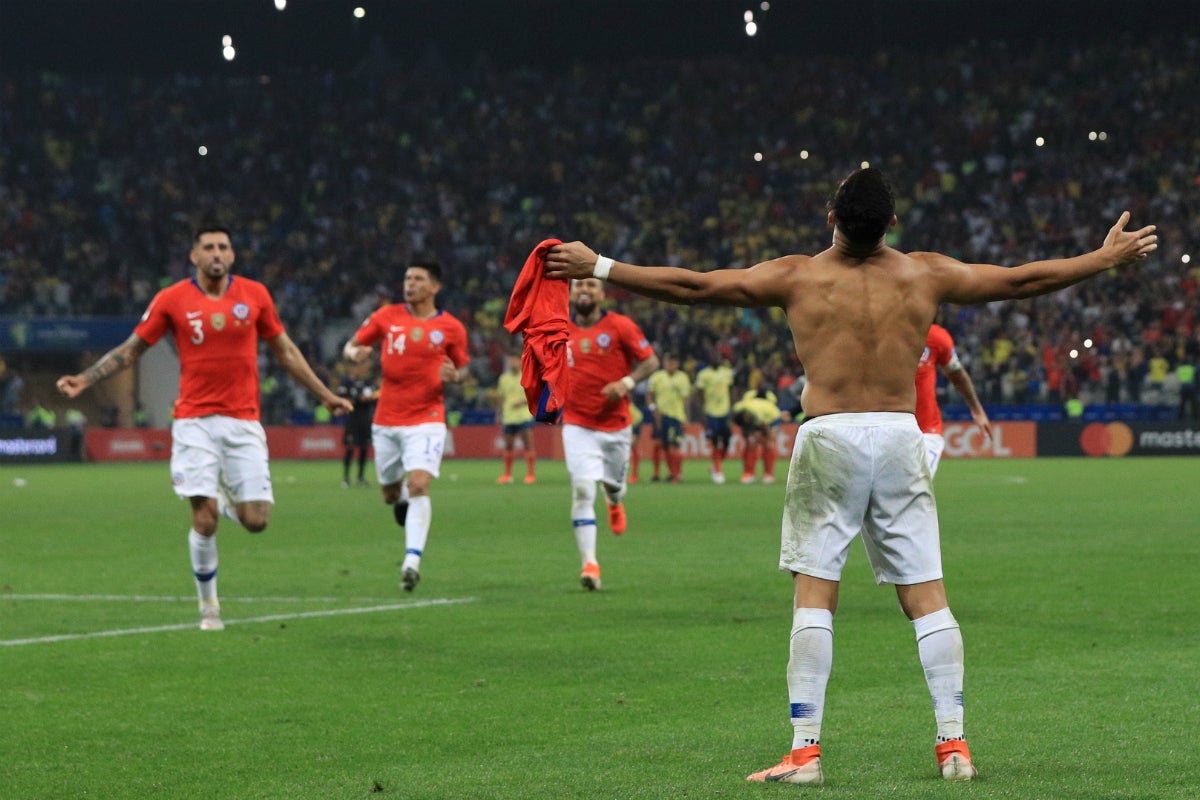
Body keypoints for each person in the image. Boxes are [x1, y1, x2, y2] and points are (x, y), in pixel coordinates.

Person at [545, 167, 1156, 784]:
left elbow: (696, 288)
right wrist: (1103, 258)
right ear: (892, 222)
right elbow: (1024, 280)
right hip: (899, 436)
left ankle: (805, 751)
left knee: (816, 592)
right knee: (926, 594)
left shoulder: (797, 276)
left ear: (830, 217)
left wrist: (600, 266)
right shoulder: (926, 272)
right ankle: (954, 747)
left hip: (829, 438)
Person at [56, 225, 352, 631]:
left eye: (224, 247)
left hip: (244, 420)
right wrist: (86, 379)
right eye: (209, 247)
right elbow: (132, 349)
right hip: (194, 421)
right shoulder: (172, 299)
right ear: (193, 256)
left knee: (256, 521)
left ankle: (230, 503)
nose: (217, 253)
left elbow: (285, 350)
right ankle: (209, 604)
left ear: (232, 255)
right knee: (204, 518)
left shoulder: (256, 296)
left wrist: (325, 394)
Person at [343, 262, 469, 593]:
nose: (409, 284)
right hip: (386, 420)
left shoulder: (451, 327)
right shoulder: (386, 316)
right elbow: (350, 345)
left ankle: (411, 562)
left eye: (418, 279)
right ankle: (399, 497)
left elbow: (463, 369)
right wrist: (355, 353)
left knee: (419, 484)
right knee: (389, 495)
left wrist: (455, 377)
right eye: (407, 278)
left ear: (434, 287)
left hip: (427, 419)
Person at [562, 277, 659, 590]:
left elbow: (650, 361)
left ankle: (615, 502)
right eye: (579, 286)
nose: (585, 290)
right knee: (581, 489)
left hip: (616, 424)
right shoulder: (560, 328)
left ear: (601, 293)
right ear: (571, 293)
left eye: (591, 285)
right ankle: (590, 563)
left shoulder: (620, 326)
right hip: (577, 423)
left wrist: (627, 384)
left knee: (613, 486)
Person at [917, 323, 992, 476]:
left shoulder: (935, 336)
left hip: (926, 432)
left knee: (913, 493)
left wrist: (977, 410)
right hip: (888, 428)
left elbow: (956, 374)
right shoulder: (883, 332)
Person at [646, 352, 691, 482]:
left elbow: (686, 399)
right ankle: (658, 474)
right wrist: (653, 408)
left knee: (673, 446)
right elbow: (649, 394)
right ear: (664, 362)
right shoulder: (657, 376)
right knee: (660, 445)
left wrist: (686, 417)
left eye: (673, 362)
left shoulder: (682, 377)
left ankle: (676, 474)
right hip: (659, 415)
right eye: (668, 361)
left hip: (675, 416)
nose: (670, 365)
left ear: (677, 364)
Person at [495, 353, 537, 484]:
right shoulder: (503, 378)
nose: (512, 363)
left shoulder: (527, 376)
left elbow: (534, 395)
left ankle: (530, 474)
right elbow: (501, 397)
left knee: (528, 444)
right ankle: (507, 475)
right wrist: (498, 413)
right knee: (508, 446)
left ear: (520, 361)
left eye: (514, 360)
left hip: (524, 415)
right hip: (509, 416)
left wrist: (523, 402)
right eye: (510, 360)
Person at [337, 358, 379, 488]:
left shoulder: (368, 383)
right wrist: (358, 399)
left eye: (363, 366)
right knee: (350, 447)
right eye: (358, 367)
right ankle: (346, 478)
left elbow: (376, 399)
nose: (361, 369)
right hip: (352, 419)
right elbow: (343, 399)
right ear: (353, 368)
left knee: (364, 447)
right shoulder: (347, 382)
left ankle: (361, 478)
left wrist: (370, 399)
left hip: (365, 419)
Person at [695, 355, 735, 483]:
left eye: (718, 358)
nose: (716, 360)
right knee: (715, 442)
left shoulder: (727, 372)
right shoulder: (704, 374)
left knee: (727, 442)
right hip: (710, 412)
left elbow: (731, 390)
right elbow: (699, 394)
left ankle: (715, 466)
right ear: (710, 360)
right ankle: (718, 470)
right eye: (714, 358)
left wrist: (732, 408)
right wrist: (702, 414)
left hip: (725, 411)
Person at [732, 388, 782, 484]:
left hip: (766, 423)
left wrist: (765, 434)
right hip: (765, 422)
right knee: (768, 446)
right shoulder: (771, 406)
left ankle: (749, 474)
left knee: (752, 446)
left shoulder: (745, 404)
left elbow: (763, 424)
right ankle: (768, 475)